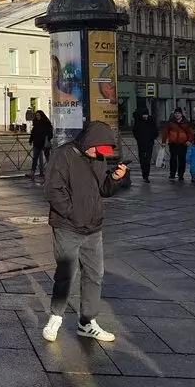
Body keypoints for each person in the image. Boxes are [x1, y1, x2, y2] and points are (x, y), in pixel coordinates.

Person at [41, 121, 129, 344]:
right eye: (97, 149)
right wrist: (73, 213)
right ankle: (56, 317)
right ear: (89, 141)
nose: (99, 155)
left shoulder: (98, 157)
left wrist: (116, 180)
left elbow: (103, 189)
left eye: (103, 152)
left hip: (93, 228)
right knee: (66, 274)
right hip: (67, 226)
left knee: (95, 275)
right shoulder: (62, 155)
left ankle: (87, 322)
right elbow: (52, 190)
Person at [161, 108, 194, 182]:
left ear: (181, 114)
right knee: (173, 159)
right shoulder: (171, 122)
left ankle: (181, 174)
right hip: (173, 143)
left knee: (182, 159)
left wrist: (189, 140)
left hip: (183, 144)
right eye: (176, 113)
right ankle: (172, 173)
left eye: (178, 113)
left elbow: (190, 133)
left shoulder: (186, 123)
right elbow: (165, 132)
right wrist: (163, 142)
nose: (177, 115)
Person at [131, 108, 158, 183]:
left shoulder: (151, 120)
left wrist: (153, 137)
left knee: (148, 160)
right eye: (144, 115)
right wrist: (138, 138)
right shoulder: (138, 121)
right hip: (141, 143)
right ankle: (144, 173)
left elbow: (155, 130)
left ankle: (146, 175)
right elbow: (135, 131)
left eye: (146, 114)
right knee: (142, 160)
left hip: (149, 143)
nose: (145, 116)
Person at [28, 110, 53, 177]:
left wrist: (47, 139)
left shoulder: (46, 123)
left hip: (44, 143)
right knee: (35, 158)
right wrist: (30, 140)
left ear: (42, 116)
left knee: (48, 157)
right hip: (36, 143)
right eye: (36, 116)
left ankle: (51, 171)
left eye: (38, 115)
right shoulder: (36, 123)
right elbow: (33, 132)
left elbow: (50, 133)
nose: (37, 117)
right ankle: (32, 172)